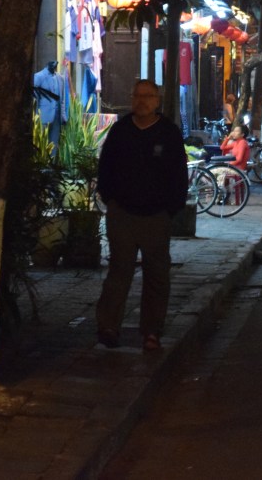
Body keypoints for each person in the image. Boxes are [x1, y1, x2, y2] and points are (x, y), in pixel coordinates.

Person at [95, 79, 188, 352]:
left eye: (148, 96)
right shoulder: (121, 130)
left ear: (157, 100)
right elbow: (105, 168)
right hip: (122, 213)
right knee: (119, 271)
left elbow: (178, 174)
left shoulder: (168, 133)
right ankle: (108, 326)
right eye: (137, 95)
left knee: (157, 274)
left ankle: (152, 331)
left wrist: (171, 208)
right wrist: (110, 199)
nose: (142, 101)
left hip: (156, 215)